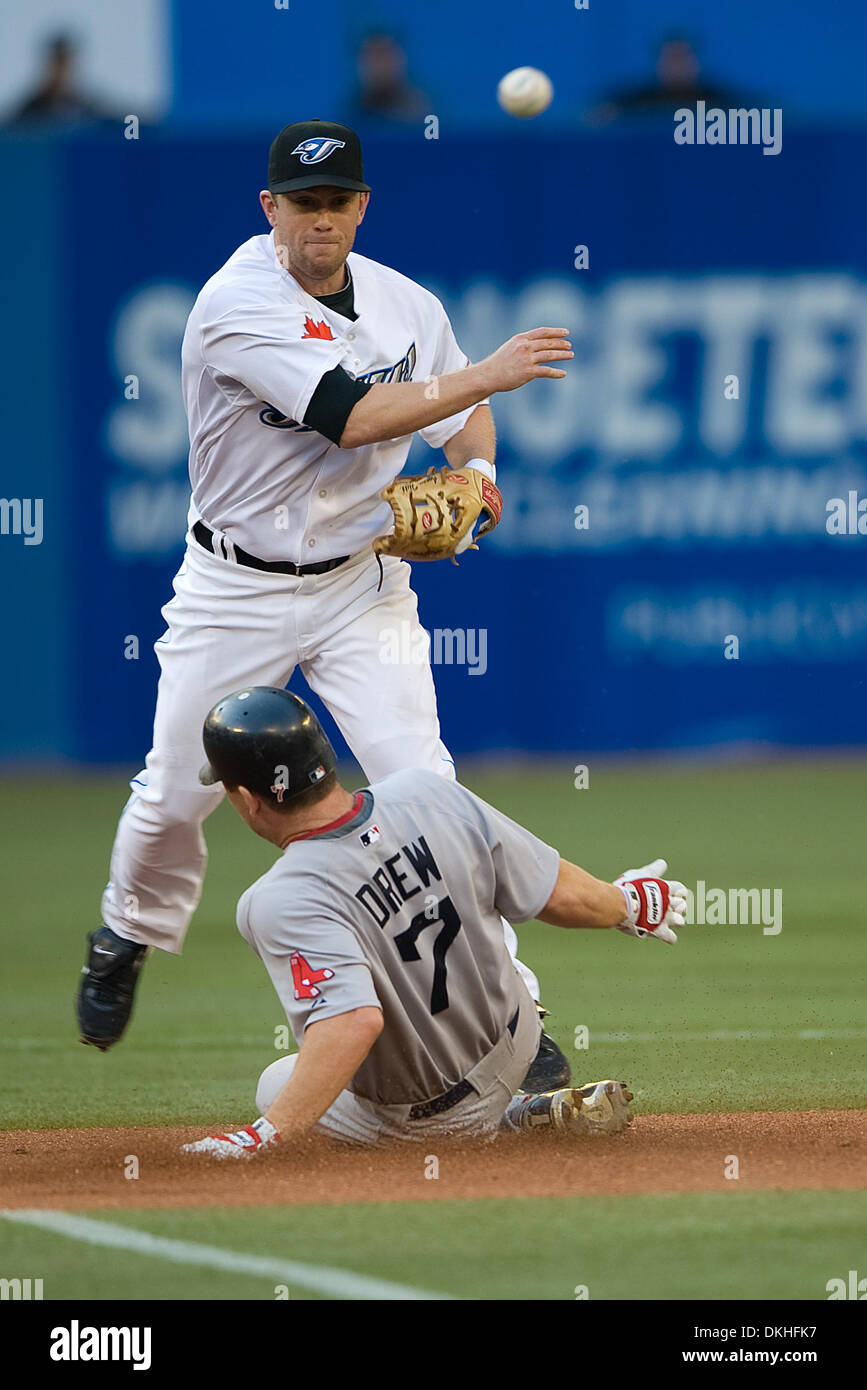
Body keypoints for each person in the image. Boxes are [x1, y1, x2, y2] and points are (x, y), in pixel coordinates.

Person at [76, 117, 576, 1093]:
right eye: (303, 202)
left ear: (361, 205)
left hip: (363, 583)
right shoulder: (236, 303)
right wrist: (486, 374)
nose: (322, 217)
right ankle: (128, 929)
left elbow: (462, 413)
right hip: (238, 586)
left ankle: (514, 1015)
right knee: (177, 791)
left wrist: (478, 471)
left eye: (338, 200)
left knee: (427, 791)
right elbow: (355, 419)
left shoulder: (404, 301)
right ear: (271, 208)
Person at [181, 688, 687, 1157]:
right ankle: (522, 1107)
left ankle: (497, 1120)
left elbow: (352, 1022)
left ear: (247, 799)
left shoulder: (278, 898)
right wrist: (629, 904)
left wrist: (265, 1135)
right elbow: (557, 894)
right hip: (520, 1045)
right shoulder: (426, 793)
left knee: (277, 1083)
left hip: (431, 1118)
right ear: (323, 757)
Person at [590, 34, 744, 124]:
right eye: (671, 58)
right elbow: (602, 113)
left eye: (682, 58)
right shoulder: (639, 101)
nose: (676, 65)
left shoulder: (716, 100)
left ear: (695, 63)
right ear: (659, 63)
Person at [7, 33, 113, 127]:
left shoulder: (90, 108)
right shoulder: (29, 110)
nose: (61, 71)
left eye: (65, 63)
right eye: (57, 63)